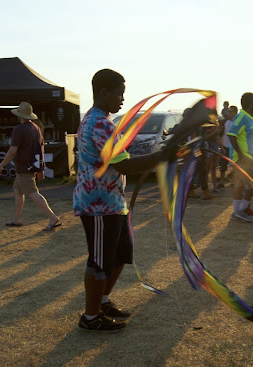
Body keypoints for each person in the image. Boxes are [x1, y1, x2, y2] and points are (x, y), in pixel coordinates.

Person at [73, 69, 181, 332]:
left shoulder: (103, 121)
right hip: (98, 205)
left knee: (120, 254)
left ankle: (103, 302)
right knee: (99, 262)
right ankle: (90, 317)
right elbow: (124, 167)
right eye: (119, 92)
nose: (123, 98)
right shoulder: (99, 124)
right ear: (103, 92)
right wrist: (161, 156)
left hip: (112, 202)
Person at [0, 102, 61, 230]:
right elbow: (40, 149)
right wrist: (40, 168)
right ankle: (16, 218)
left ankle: (53, 218)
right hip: (30, 167)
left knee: (32, 193)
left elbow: (12, 151)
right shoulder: (36, 128)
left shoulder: (18, 129)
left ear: (19, 115)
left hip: (23, 167)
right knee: (18, 190)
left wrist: (1, 165)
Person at [227, 92, 253, 222]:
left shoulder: (247, 118)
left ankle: (236, 212)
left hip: (245, 157)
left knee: (239, 186)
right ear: (250, 104)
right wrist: (241, 155)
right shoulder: (242, 117)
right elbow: (231, 134)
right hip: (244, 158)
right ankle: (241, 211)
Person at [218, 105, 237, 188]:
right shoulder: (224, 122)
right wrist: (221, 147)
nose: (229, 113)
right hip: (225, 146)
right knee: (223, 166)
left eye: (231, 111)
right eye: (228, 111)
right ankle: (222, 182)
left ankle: (234, 181)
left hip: (235, 147)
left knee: (235, 166)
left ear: (235, 112)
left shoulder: (237, 122)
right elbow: (219, 135)